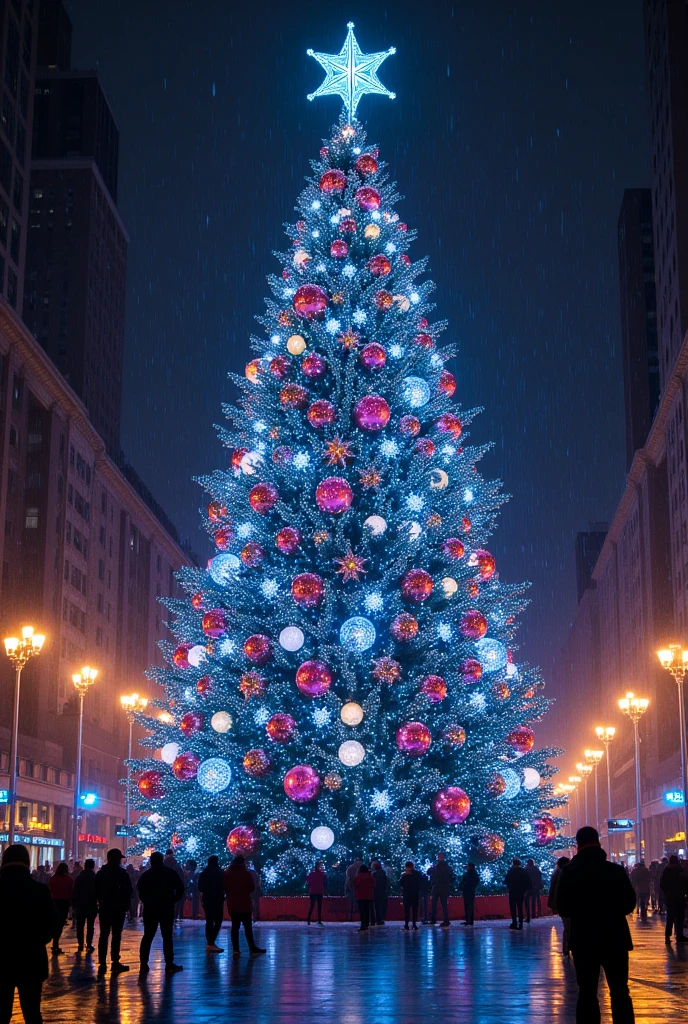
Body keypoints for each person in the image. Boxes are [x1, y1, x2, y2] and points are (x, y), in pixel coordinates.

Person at [557, 826, 636, 1024]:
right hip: (614, 938)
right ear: (598, 842)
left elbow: (563, 907)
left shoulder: (569, 872)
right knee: (619, 992)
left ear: (578, 844)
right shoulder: (615, 870)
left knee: (587, 993)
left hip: (584, 940)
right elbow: (629, 903)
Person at [0, 844, 57, 1024]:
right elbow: (52, 923)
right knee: (32, 1012)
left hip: (1, 959)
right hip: (31, 958)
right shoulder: (39, 890)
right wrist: (38, 940)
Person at [137, 851, 185, 974]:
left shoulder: (146, 875)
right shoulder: (170, 873)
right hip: (166, 908)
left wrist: (147, 901)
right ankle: (169, 963)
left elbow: (140, 892)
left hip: (150, 909)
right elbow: (180, 889)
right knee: (167, 936)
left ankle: (143, 963)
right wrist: (173, 900)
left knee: (148, 936)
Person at [95, 848, 133, 975]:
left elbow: (95, 891)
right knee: (116, 935)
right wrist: (126, 904)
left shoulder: (101, 873)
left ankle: (102, 960)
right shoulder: (122, 873)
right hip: (118, 908)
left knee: (104, 934)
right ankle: (115, 961)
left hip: (105, 907)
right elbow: (129, 890)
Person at [223, 855, 266, 958]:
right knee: (248, 927)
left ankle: (236, 949)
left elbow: (224, 887)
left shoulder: (227, 873)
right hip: (244, 904)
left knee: (235, 927)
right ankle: (252, 947)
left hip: (232, 904)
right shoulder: (246, 874)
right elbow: (251, 888)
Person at [198, 855, 226, 951]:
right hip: (218, 899)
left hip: (207, 899)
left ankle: (210, 942)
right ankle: (211, 941)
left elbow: (200, 888)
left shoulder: (204, 873)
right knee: (218, 920)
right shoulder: (221, 873)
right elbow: (224, 886)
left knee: (209, 921)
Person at [660, 853, 688, 944]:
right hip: (680, 896)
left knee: (670, 917)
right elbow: (685, 882)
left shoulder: (666, 870)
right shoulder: (680, 870)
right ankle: (679, 934)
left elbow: (662, 884)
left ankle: (668, 935)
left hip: (670, 896)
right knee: (680, 917)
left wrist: (666, 892)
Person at [48, 862, 74, 955]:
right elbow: (71, 892)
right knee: (60, 923)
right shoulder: (69, 880)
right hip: (64, 903)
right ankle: (55, 943)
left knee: (55, 922)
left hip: (54, 902)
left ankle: (54, 943)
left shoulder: (53, 879)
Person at [73, 858, 98, 954]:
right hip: (91, 904)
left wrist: (74, 904)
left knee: (80, 925)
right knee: (90, 925)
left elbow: (75, 891)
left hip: (81, 904)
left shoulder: (80, 877)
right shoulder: (94, 877)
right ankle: (89, 943)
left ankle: (80, 943)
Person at [547, 856, 571, 955]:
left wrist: (551, 903)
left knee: (567, 927)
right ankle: (568, 947)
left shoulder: (556, 874)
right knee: (570, 927)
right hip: (569, 903)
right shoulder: (569, 873)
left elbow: (552, 890)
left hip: (561, 904)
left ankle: (566, 948)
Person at [504, 858, 531, 930]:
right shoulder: (523, 871)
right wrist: (525, 889)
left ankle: (514, 922)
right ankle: (520, 923)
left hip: (512, 891)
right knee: (520, 907)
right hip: (521, 892)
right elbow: (528, 881)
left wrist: (509, 886)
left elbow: (505, 881)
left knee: (513, 908)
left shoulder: (510, 871)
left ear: (513, 864)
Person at [429, 852, 453, 927]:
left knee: (437, 905)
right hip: (442, 888)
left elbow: (430, 872)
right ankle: (444, 920)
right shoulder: (446, 867)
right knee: (443, 905)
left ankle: (436, 920)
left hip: (438, 888)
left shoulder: (438, 866)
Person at [164, 849, 185, 922]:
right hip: (174, 888)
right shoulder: (176, 865)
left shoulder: (163, 863)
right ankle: (174, 917)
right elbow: (181, 877)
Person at [399, 862, 422, 930]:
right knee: (414, 910)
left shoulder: (405, 875)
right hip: (414, 894)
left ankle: (407, 924)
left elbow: (401, 884)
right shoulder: (417, 874)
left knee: (407, 910)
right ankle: (413, 924)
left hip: (408, 894)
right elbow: (420, 883)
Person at [354, 864, 375, 931]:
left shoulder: (358, 876)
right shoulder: (370, 876)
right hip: (368, 895)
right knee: (367, 910)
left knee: (361, 911)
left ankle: (362, 924)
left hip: (360, 896)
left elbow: (355, 885)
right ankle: (366, 923)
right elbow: (373, 885)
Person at [458, 862, 479, 926]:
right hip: (471, 891)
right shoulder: (474, 873)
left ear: (469, 866)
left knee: (468, 906)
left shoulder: (469, 873)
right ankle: (469, 920)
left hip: (467, 891)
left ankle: (468, 920)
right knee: (470, 906)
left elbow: (465, 882)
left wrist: (463, 887)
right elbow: (477, 881)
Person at [306, 861, 327, 926]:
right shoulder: (323, 875)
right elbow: (325, 883)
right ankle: (319, 920)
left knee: (312, 905)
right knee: (319, 906)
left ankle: (309, 920)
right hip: (319, 891)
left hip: (313, 891)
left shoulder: (311, 874)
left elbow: (308, 882)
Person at [371, 860, 388, 926]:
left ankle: (378, 919)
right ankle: (380, 919)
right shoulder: (383, 873)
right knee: (381, 906)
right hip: (382, 892)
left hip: (376, 892)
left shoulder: (374, 874)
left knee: (377, 906)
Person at [344, 856, 361, 921]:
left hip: (354, 887)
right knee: (352, 902)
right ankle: (351, 917)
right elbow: (349, 878)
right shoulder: (351, 868)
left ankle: (352, 917)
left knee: (353, 903)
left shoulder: (354, 868)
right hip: (352, 887)